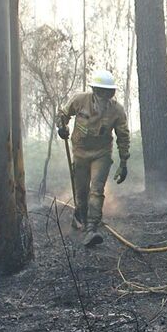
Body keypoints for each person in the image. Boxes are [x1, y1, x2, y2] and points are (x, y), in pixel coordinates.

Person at [57, 70, 130, 247]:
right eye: (101, 91)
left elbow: (123, 136)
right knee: (81, 194)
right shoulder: (79, 100)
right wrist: (62, 127)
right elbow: (63, 114)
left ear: (112, 92)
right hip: (80, 153)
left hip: (102, 154)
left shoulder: (117, 111)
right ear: (94, 90)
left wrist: (123, 162)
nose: (105, 95)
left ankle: (91, 229)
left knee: (96, 191)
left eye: (108, 92)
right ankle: (81, 217)